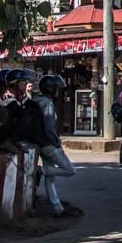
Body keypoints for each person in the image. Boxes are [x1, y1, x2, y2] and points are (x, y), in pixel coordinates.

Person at [35, 74, 82, 218]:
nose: (58, 91)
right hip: (49, 144)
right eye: (55, 88)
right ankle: (40, 170)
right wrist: (57, 143)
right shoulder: (47, 104)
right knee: (69, 170)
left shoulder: (36, 101)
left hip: (40, 143)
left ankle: (57, 207)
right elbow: (49, 128)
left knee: (51, 177)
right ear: (50, 89)